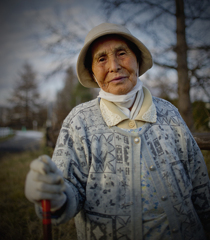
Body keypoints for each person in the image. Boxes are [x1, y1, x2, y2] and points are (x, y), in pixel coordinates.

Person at [25, 23, 210, 240]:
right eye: (101, 59)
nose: (114, 66)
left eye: (122, 53)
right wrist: (55, 196)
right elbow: (69, 190)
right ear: (93, 72)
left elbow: (200, 186)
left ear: (137, 60)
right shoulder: (79, 122)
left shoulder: (169, 113)